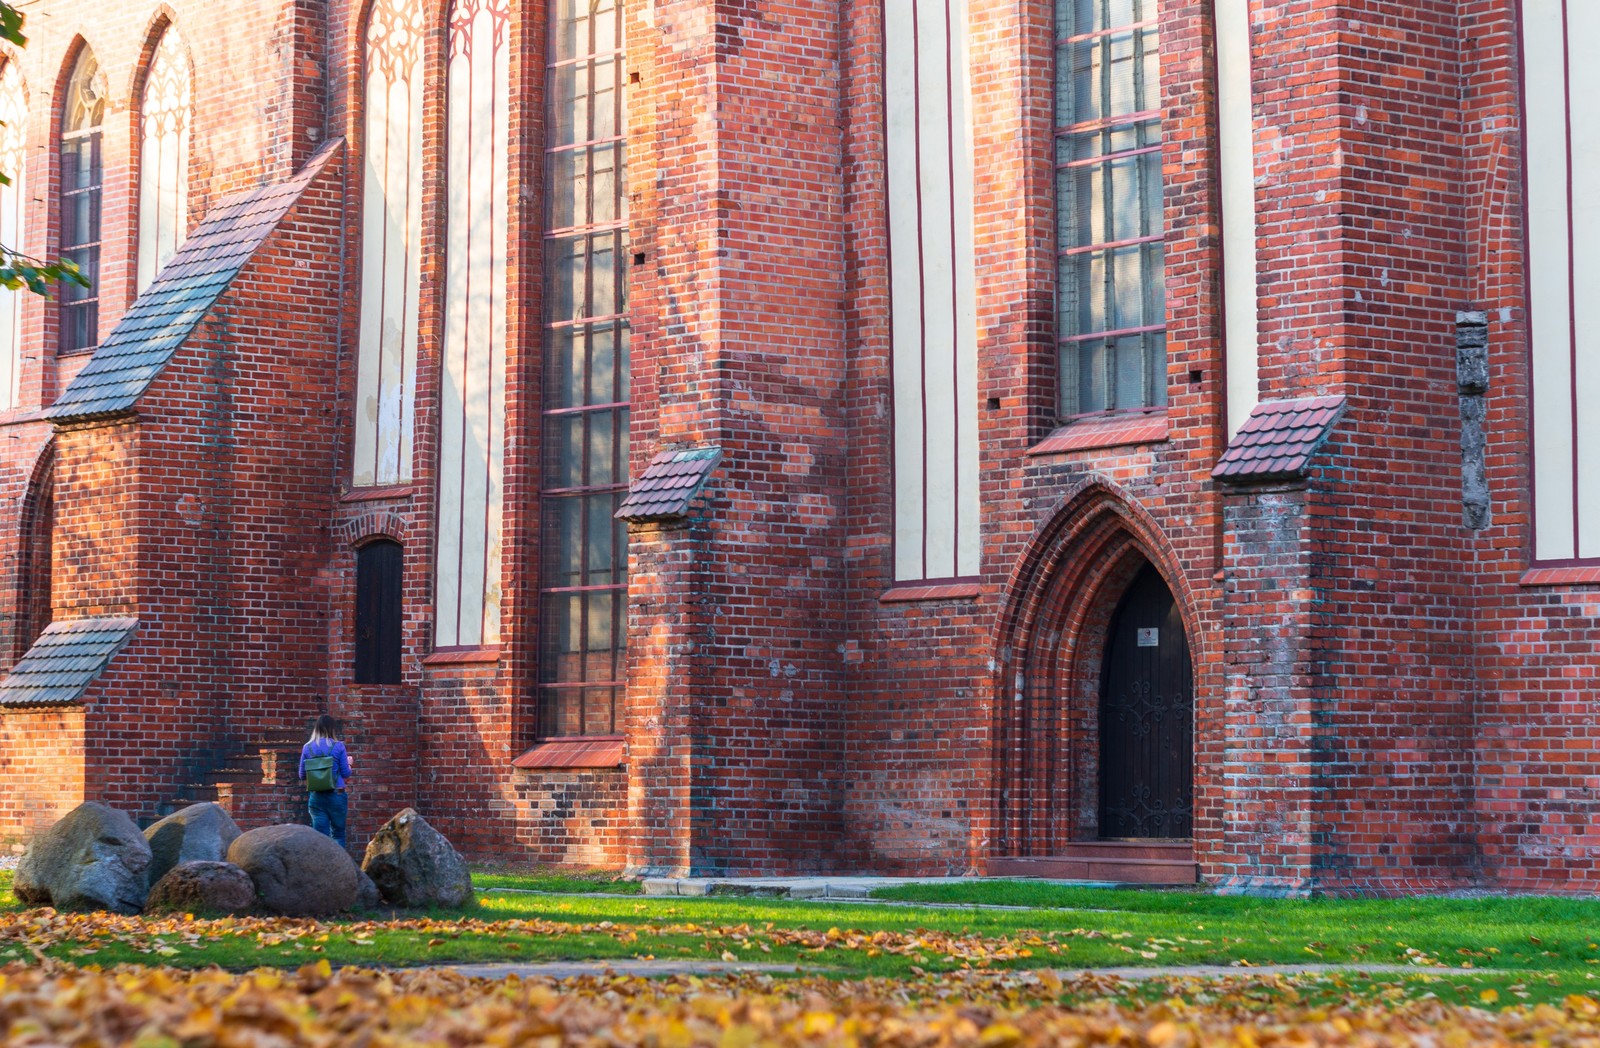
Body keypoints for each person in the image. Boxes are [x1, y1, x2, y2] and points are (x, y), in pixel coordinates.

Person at [299, 714, 353, 846]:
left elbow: (302, 775)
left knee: (320, 838)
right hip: (337, 794)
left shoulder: (307, 747)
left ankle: (322, 866)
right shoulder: (338, 746)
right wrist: (350, 763)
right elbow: (346, 773)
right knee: (338, 834)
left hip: (317, 796)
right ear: (332, 729)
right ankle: (339, 866)